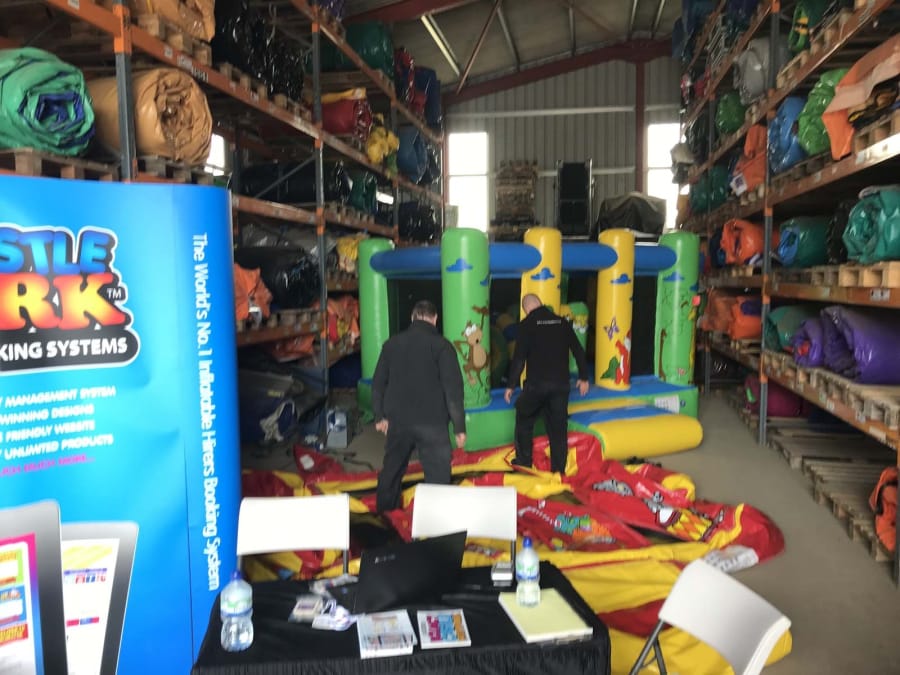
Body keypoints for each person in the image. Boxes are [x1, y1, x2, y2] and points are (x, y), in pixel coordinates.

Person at [372, 300, 466, 512]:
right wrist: (459, 426)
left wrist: (379, 416)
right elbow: (453, 390)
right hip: (433, 424)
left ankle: (385, 518)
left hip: (398, 422)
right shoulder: (442, 346)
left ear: (412, 318)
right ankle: (437, 521)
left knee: (391, 472)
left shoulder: (391, 345)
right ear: (435, 319)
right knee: (438, 477)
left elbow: (378, 384)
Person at [504, 294, 590, 474]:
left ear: (526, 309)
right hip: (560, 387)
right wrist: (583, 377)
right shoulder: (562, 322)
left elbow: (519, 359)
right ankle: (558, 471)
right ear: (540, 303)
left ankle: (524, 462)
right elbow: (578, 351)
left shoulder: (526, 325)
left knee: (524, 417)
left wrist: (511, 385)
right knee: (558, 429)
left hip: (537, 386)